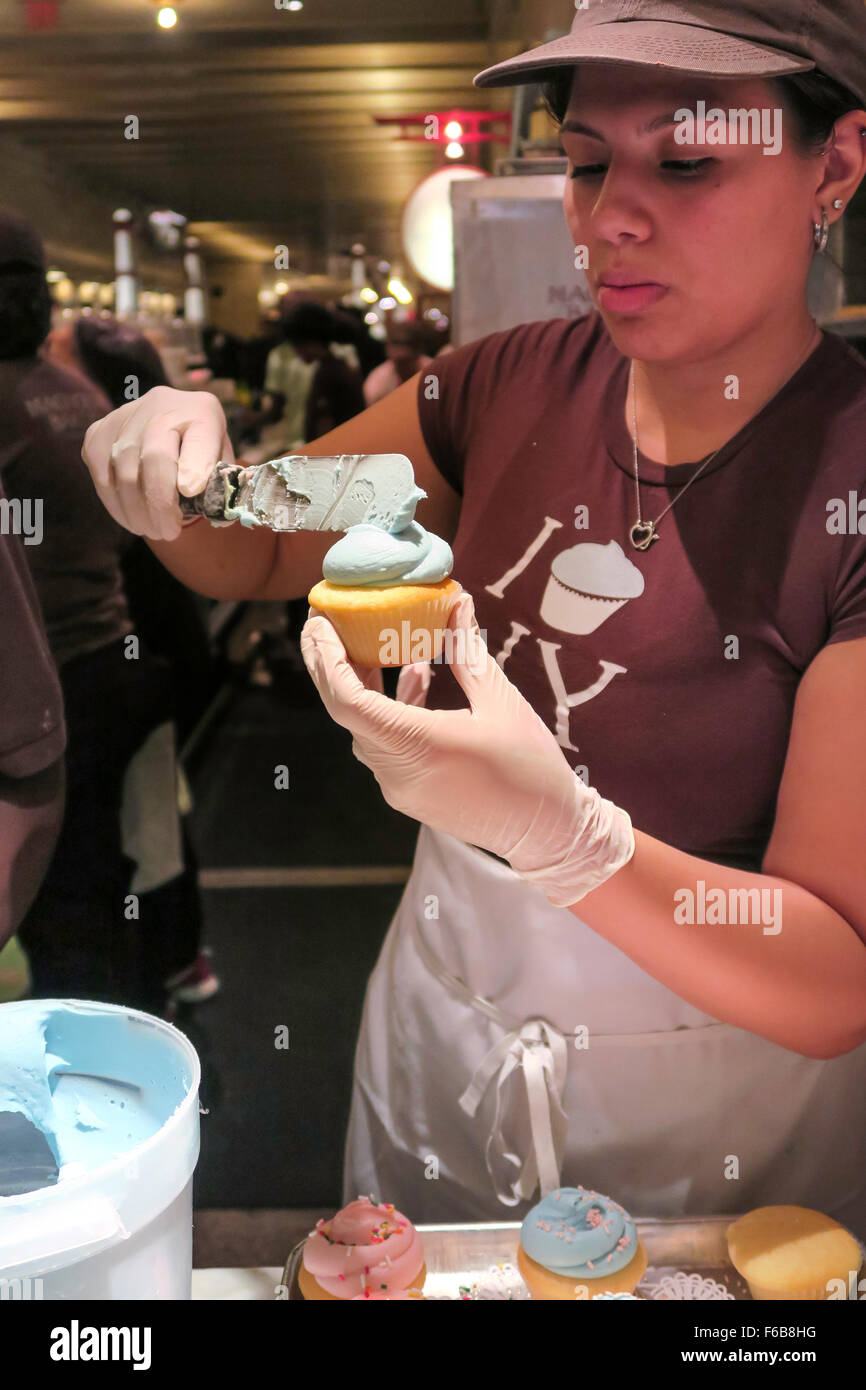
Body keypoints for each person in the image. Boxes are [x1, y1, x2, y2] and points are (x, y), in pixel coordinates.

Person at [81, 3, 866, 1237]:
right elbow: (266, 534)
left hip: (719, 1105)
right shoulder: (507, 384)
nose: (609, 214)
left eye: (687, 160)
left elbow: (834, 980)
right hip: (450, 1028)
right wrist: (173, 470)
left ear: (831, 166)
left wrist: (567, 842)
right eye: (587, 159)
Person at [0, 214, 211, 1015]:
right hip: (112, 662)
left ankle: (93, 1082)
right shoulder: (73, 391)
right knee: (115, 870)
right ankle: (149, 1013)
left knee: (62, 909)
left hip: (47, 695)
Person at [362, 322, 432, 407]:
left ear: (417, 352)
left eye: (406, 362)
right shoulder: (376, 385)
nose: (403, 368)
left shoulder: (434, 373)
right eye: (399, 362)